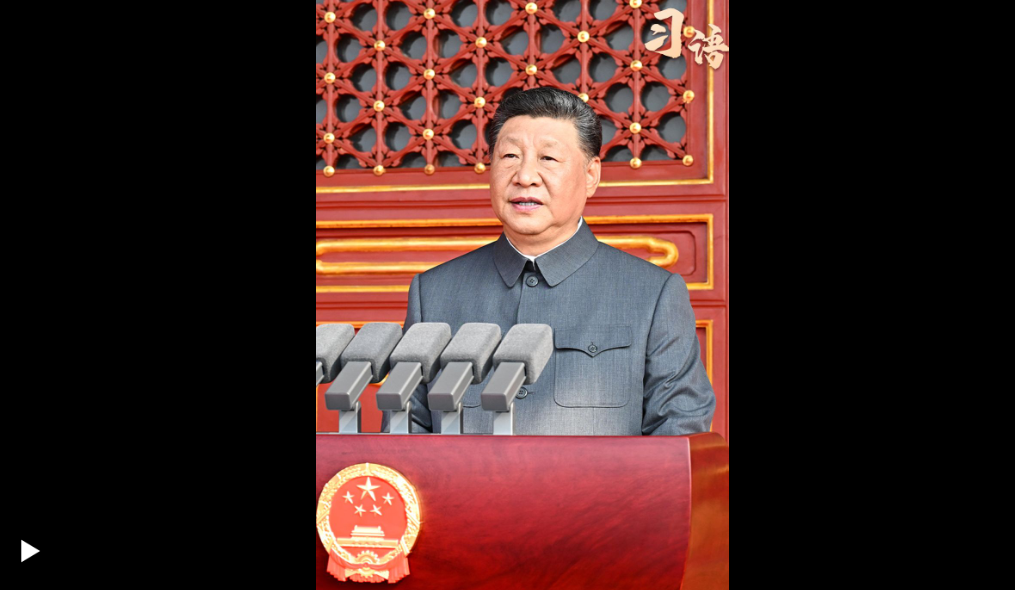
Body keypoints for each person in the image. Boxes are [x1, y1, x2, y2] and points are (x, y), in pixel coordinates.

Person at [402, 87, 715, 435]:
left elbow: (679, 433)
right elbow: (403, 436)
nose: (525, 176)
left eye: (548, 158)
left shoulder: (652, 294)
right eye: (510, 156)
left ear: (591, 175)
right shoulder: (434, 293)